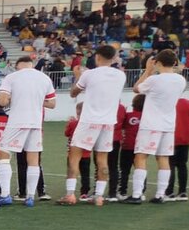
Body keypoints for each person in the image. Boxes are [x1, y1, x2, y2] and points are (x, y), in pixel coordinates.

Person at [60, 44, 125, 206]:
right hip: (108, 122)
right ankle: (98, 196)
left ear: (97, 57)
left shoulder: (89, 74)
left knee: (74, 155)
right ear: (113, 58)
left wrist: (77, 76)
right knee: (102, 159)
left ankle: (70, 194)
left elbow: (73, 93)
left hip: (89, 119)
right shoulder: (120, 75)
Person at [0, 56, 57, 207]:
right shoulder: (44, 78)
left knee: (4, 154)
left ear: (18, 66)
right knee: (33, 159)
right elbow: (52, 103)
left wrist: (14, 97)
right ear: (31, 65)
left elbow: (2, 102)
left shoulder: (12, 77)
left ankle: (5, 194)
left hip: (17, 121)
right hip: (35, 122)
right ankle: (30, 197)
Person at [125, 50, 187, 204]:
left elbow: (136, 89)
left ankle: (137, 194)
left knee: (141, 156)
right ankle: (160, 195)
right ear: (174, 63)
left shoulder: (154, 80)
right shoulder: (181, 80)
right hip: (168, 125)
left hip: (151, 124)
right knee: (163, 158)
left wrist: (147, 71)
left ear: (157, 62)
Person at [167, 96, 189, 200]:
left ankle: (169, 192)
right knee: (182, 165)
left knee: (170, 165)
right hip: (185, 138)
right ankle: (183, 192)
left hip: (171, 138)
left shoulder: (168, 103)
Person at [64, 105, 92, 199]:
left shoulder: (73, 123)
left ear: (78, 112)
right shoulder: (90, 124)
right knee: (85, 174)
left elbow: (67, 133)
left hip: (73, 153)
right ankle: (84, 193)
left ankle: (70, 192)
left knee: (72, 171)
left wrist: (69, 123)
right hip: (86, 154)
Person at [118, 96, 143, 199]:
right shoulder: (146, 116)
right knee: (141, 168)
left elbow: (121, 125)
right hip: (141, 147)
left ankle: (122, 191)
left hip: (127, 146)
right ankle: (141, 192)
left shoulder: (128, 116)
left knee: (124, 170)